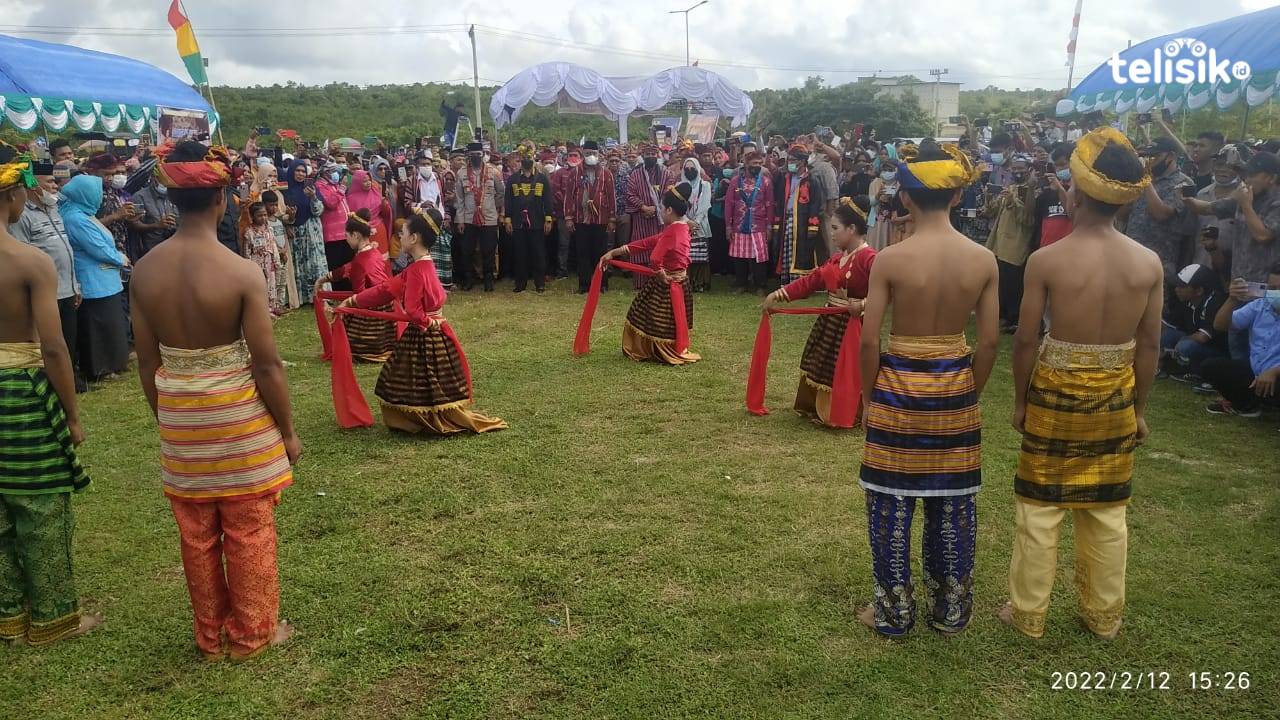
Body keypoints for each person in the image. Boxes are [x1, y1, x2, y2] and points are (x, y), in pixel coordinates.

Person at [130, 140, 300, 660]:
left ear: (172, 196)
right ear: (223, 197)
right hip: (238, 418)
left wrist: (169, 419)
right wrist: (288, 432)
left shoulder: (144, 273)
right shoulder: (240, 273)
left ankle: (210, 635)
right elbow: (267, 365)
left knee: (197, 533)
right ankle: (251, 634)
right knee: (248, 529)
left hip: (181, 415)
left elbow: (146, 362)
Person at [1002, 127, 1164, 641]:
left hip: (1054, 392)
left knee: (1040, 507)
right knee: (1107, 510)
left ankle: (1028, 614)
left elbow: (1025, 340)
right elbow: (1150, 346)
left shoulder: (1048, 260)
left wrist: (1020, 402)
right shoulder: (1147, 263)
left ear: (1075, 190)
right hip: (1116, 394)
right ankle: (1104, 618)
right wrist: (1138, 410)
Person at [857, 140, 998, 637]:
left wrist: (870, 395)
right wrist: (969, 392)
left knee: (890, 502)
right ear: (957, 197)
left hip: (897, 387)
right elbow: (988, 343)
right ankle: (952, 609)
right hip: (956, 387)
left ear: (907, 199)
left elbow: (870, 337)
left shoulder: (891, 260)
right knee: (953, 501)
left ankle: (894, 611)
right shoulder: (983, 260)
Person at [0, 148, 98, 647]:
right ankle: (54, 617)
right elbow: (55, 347)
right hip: (20, 392)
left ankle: (8, 614)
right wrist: (73, 416)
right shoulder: (28, 263)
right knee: (40, 508)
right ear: (13, 195)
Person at [338, 207, 507, 435]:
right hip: (434, 330)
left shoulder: (416, 271)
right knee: (429, 379)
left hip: (422, 332)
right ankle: (424, 416)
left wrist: (426, 321)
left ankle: (419, 419)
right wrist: (353, 301)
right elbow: (386, 289)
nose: (400, 236)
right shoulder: (425, 265)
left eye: (403, 232)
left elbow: (413, 310)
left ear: (414, 238)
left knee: (405, 378)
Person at [762, 196, 876, 427]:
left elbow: (887, 293)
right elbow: (812, 281)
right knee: (820, 362)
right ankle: (818, 407)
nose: (831, 233)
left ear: (852, 229)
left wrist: (863, 304)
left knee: (846, 369)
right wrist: (779, 295)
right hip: (830, 322)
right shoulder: (837, 258)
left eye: (835, 228)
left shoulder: (870, 258)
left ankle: (845, 411)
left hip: (853, 327)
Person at [600, 182, 701, 365]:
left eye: (662, 209)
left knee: (642, 314)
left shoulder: (672, 231)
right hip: (681, 282)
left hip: (666, 283)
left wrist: (659, 272)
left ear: (669, 210)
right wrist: (615, 252)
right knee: (672, 319)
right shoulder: (683, 227)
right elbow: (648, 242)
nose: (661, 212)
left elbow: (654, 258)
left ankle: (654, 351)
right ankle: (669, 348)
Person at [13, 161, 85, 393]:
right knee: (50, 342)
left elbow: (66, 250)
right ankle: (54, 382)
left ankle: (70, 377)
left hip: (68, 287)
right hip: (46, 293)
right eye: (51, 182)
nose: (55, 186)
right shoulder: (23, 216)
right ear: (34, 186)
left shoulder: (54, 209)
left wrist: (75, 285)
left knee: (69, 340)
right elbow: (23, 255)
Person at [60, 175, 129, 383]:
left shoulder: (81, 212)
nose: (100, 198)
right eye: (97, 193)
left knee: (110, 324)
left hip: (103, 279)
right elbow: (97, 247)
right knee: (98, 328)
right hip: (94, 280)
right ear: (86, 194)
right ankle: (101, 369)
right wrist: (120, 258)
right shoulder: (76, 218)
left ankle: (114, 363)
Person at [1201, 265, 1280, 418]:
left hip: (1276, 376)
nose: (1275, 292)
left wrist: (1274, 371)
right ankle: (1247, 406)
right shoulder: (1260, 306)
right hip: (1256, 375)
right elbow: (1220, 325)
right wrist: (1232, 299)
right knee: (1211, 366)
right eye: (1272, 287)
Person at [317, 208, 394, 362]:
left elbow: (359, 294)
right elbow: (348, 268)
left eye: (347, 236)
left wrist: (340, 310)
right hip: (387, 306)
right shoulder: (374, 252)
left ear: (356, 235)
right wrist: (324, 279)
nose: (345, 240)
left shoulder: (360, 260)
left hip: (371, 307)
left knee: (343, 326)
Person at [1122, 136, 1195, 292]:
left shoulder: (1184, 183)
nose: (1149, 161)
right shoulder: (1143, 180)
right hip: (1129, 258)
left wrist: (1146, 181)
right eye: (1147, 156)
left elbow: (1161, 213)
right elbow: (1122, 215)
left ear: (1171, 156)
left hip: (1159, 263)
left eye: (1155, 156)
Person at [985, 155, 1038, 332]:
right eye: (1014, 169)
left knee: (1015, 284)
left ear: (1029, 170)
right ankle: (1004, 316)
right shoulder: (1011, 187)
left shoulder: (1033, 191)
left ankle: (1015, 319)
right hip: (999, 244)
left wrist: (1013, 202)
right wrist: (988, 196)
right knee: (1002, 283)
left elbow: (1028, 220)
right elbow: (991, 211)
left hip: (1017, 244)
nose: (1017, 172)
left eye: (1021, 169)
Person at [453, 142, 505, 292]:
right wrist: (460, 220)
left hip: (488, 217)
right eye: (472, 155)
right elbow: (459, 199)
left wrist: (491, 206)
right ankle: (469, 279)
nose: (476, 157)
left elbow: (501, 192)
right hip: (469, 218)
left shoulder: (493, 171)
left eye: (478, 154)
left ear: (483, 155)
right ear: (468, 156)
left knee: (488, 250)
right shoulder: (461, 173)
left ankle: (488, 279)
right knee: (467, 250)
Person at [565, 141, 616, 294]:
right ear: (583, 154)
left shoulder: (606, 173)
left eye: (593, 153)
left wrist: (612, 219)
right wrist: (568, 217)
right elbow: (569, 195)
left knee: (600, 253)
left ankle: (602, 284)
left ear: (598, 154)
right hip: (582, 219)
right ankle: (584, 285)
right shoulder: (575, 173)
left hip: (601, 219)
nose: (591, 156)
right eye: (587, 153)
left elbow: (611, 196)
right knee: (583, 252)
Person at [1160, 264, 1227, 379]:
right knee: (1167, 336)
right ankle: (1174, 367)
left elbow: (1203, 337)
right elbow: (1168, 325)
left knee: (1185, 346)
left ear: (1199, 290)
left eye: (1182, 286)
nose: (1177, 289)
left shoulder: (1215, 302)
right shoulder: (1186, 300)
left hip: (1217, 352)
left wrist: (1181, 342)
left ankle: (1197, 373)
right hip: (1198, 344)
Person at [774, 144, 827, 284]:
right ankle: (786, 280)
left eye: (792, 160)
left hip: (803, 222)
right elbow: (779, 201)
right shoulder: (785, 178)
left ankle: (801, 283)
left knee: (802, 251)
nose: (789, 163)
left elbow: (815, 204)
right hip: (787, 219)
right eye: (788, 160)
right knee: (786, 250)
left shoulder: (812, 180)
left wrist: (812, 226)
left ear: (802, 161)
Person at [724, 151, 775, 293]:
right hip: (739, 226)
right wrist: (728, 227)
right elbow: (729, 204)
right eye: (754, 164)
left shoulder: (766, 182)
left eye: (760, 164)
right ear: (746, 164)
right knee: (739, 257)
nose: (757, 166)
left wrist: (769, 227)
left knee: (759, 257)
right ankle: (741, 284)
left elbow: (770, 204)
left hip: (759, 226)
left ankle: (761, 286)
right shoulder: (735, 181)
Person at [503, 150, 553, 293]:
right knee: (520, 253)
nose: (526, 160)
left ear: (534, 159)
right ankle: (520, 283)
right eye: (524, 157)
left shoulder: (542, 179)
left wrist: (548, 219)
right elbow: (508, 201)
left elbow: (548, 200)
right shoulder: (512, 179)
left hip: (537, 221)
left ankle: (540, 283)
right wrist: (508, 220)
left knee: (538, 253)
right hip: (518, 222)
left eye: (529, 157)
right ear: (520, 159)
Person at [283, 160, 327, 305]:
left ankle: (318, 294)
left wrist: (313, 197)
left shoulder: (311, 188)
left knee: (315, 262)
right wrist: (288, 222)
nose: (301, 174)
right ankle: (303, 297)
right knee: (300, 264)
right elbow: (282, 212)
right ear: (292, 171)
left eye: (303, 171)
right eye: (298, 171)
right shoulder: (285, 190)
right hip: (296, 232)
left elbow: (319, 211)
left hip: (312, 231)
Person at [625, 145, 668, 285]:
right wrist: (643, 207)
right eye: (647, 153)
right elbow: (630, 194)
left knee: (659, 248)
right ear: (642, 156)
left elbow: (669, 191)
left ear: (657, 155)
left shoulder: (665, 173)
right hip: (641, 217)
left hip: (660, 218)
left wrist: (656, 209)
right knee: (640, 248)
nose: (650, 156)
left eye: (653, 153)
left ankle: (658, 282)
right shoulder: (635, 174)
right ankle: (641, 283)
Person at [242, 202, 282, 315]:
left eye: (264, 214)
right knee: (260, 285)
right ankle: (260, 308)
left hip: (269, 261)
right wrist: (248, 266)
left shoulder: (269, 230)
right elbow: (247, 251)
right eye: (259, 215)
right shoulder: (249, 232)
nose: (263, 217)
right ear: (252, 216)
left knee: (271, 283)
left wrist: (276, 260)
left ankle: (272, 306)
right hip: (256, 263)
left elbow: (273, 245)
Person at [316, 163, 353, 285]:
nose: (336, 174)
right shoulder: (320, 186)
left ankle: (347, 290)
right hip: (333, 235)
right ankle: (338, 291)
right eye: (333, 171)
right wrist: (342, 188)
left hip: (345, 232)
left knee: (347, 263)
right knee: (336, 264)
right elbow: (331, 203)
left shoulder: (335, 185)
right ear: (325, 172)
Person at [261, 190, 297, 311]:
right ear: (264, 204)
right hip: (274, 256)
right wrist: (279, 252)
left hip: (283, 254)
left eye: (276, 204)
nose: (275, 207)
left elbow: (284, 234)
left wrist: (285, 250)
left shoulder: (279, 220)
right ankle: (273, 306)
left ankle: (280, 304)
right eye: (271, 205)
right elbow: (271, 240)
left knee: (282, 280)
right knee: (274, 281)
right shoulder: (264, 222)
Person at [680, 157, 712, 292]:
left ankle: (700, 284)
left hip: (701, 225)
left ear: (697, 169)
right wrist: (687, 221)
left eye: (692, 168)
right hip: (684, 224)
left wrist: (695, 223)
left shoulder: (705, 185)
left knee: (700, 255)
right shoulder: (679, 186)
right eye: (686, 169)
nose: (689, 171)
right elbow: (678, 207)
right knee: (686, 255)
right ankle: (687, 283)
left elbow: (705, 206)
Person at [345, 170, 392, 257]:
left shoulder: (376, 192)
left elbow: (385, 213)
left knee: (382, 257)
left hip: (379, 230)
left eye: (369, 180)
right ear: (357, 182)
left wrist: (385, 203)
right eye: (364, 181)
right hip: (362, 232)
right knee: (366, 258)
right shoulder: (351, 199)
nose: (368, 183)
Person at [129, 175, 178, 257]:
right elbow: (133, 224)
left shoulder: (175, 194)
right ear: (154, 178)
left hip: (174, 248)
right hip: (150, 251)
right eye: (162, 179)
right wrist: (156, 225)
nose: (165, 183)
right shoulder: (139, 197)